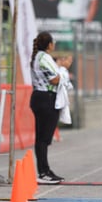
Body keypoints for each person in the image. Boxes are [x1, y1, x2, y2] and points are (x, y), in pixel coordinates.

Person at [30, 31, 71, 184]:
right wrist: (64, 69)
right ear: (49, 44)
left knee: (43, 137)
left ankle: (45, 170)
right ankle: (43, 172)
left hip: (42, 98)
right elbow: (54, 79)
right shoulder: (43, 57)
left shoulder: (40, 57)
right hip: (45, 98)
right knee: (43, 138)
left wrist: (60, 67)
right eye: (53, 42)